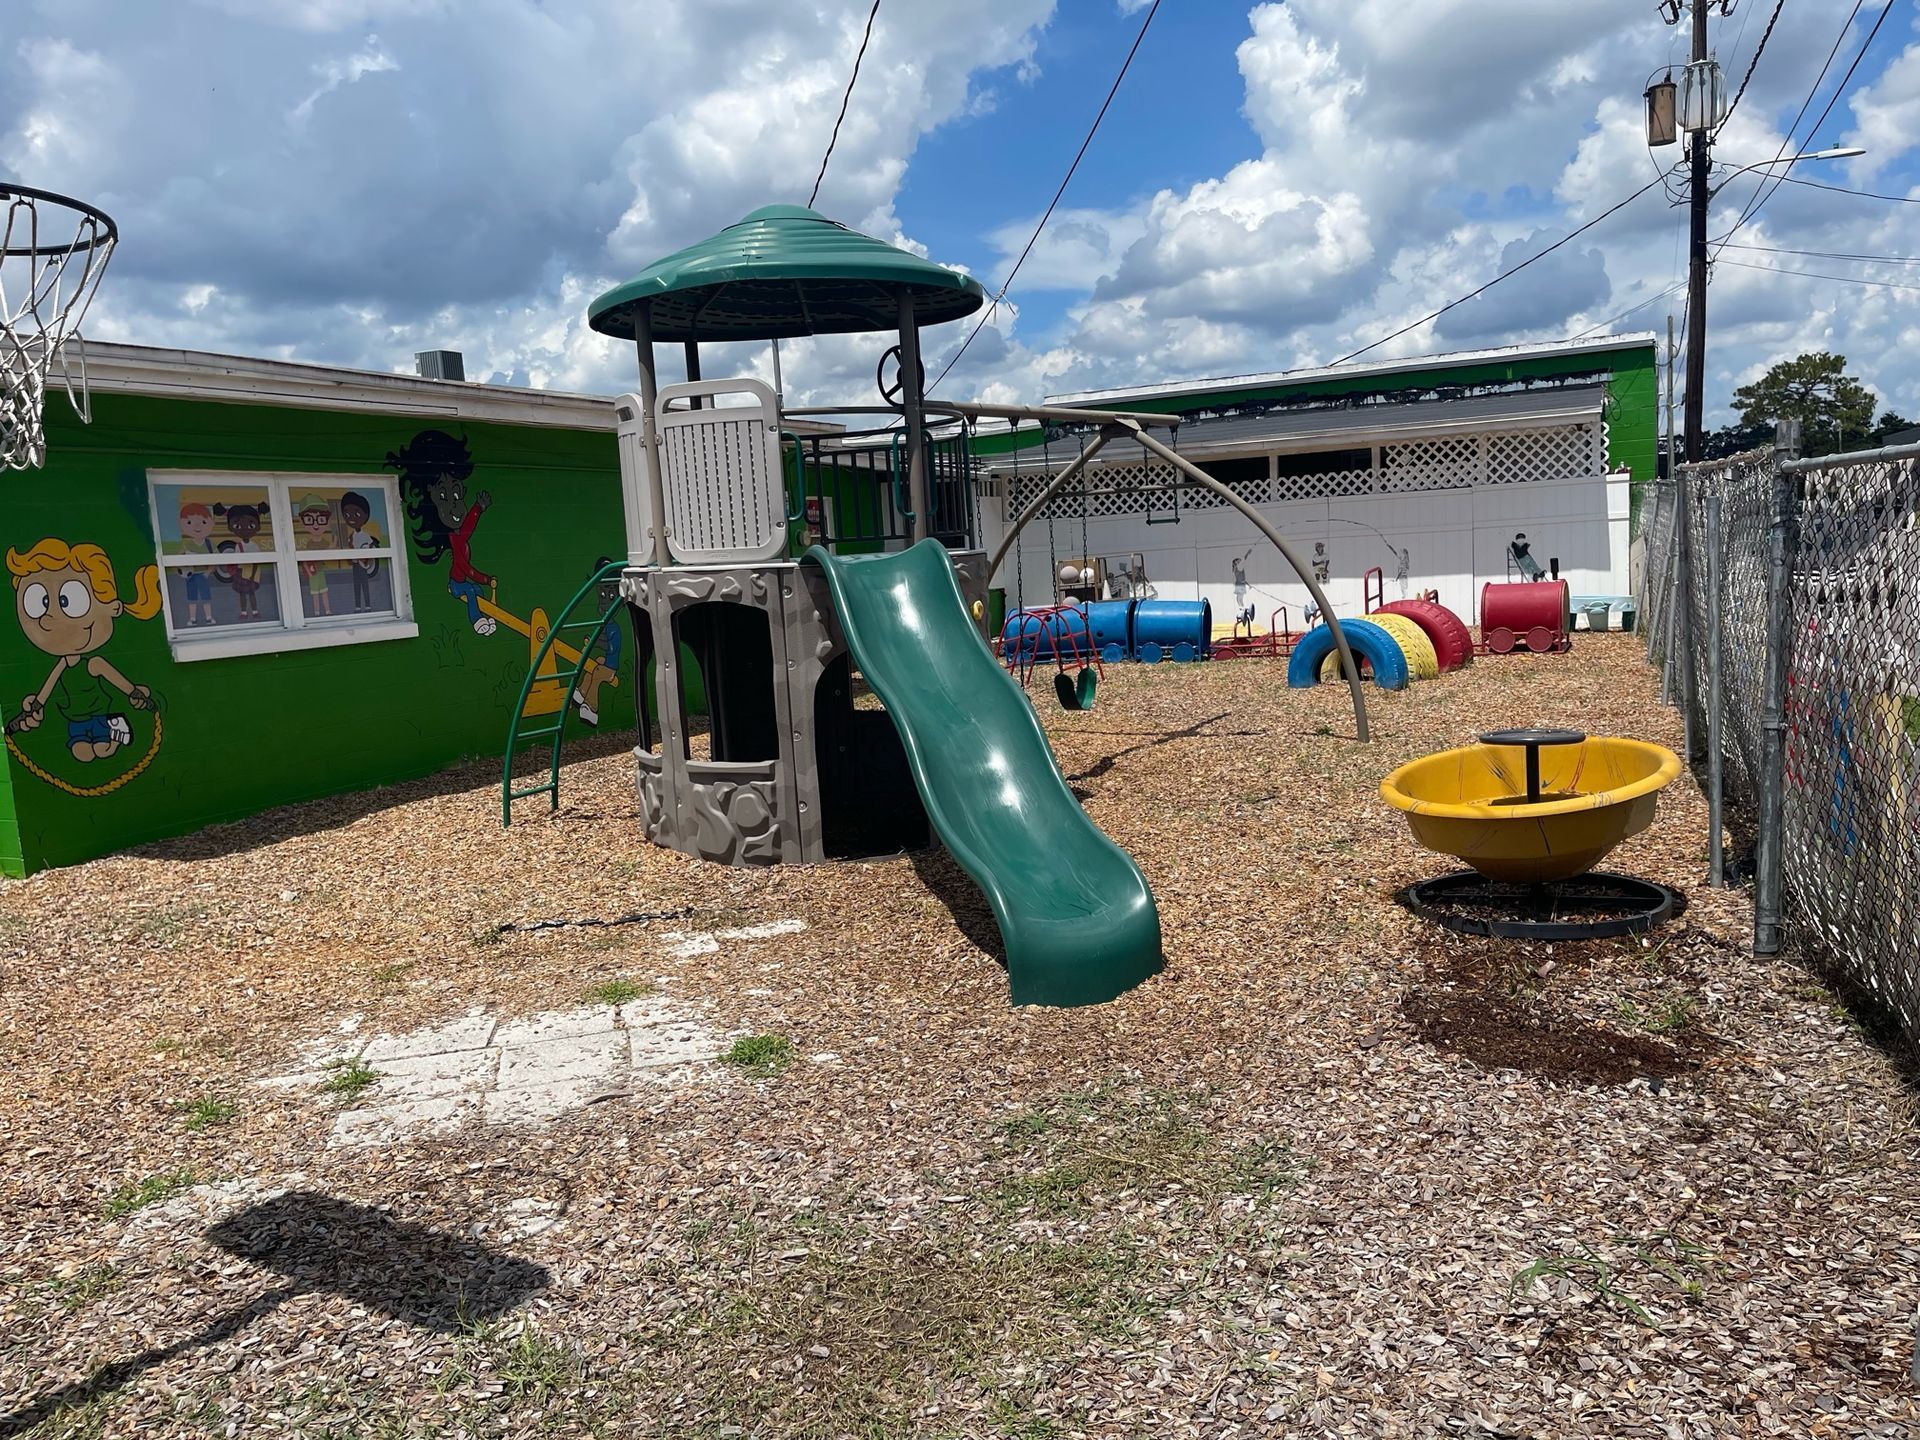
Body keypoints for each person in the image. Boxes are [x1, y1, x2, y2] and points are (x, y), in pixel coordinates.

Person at [6, 539, 162, 764]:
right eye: (39, 602)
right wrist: (36, 703)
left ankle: (118, 733)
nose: (49, 619)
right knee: (83, 754)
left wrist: (134, 692)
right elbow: (49, 684)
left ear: (112, 607)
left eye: (69, 601)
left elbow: (117, 680)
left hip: (100, 716)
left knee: (103, 750)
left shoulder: (94, 663)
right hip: (75, 718)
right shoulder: (63, 663)